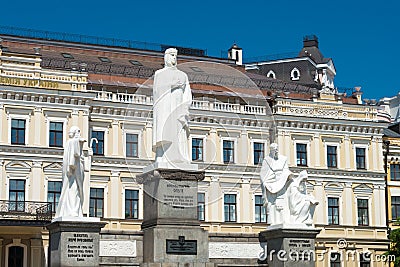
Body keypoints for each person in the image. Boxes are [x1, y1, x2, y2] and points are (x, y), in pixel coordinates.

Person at [152, 48, 192, 165]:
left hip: (178, 108)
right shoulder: (159, 73)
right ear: (166, 57)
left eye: (175, 55)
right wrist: (172, 85)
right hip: (165, 108)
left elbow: (187, 94)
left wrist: (185, 109)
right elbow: (157, 91)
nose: (173, 58)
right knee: (164, 131)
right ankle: (162, 155)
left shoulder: (183, 75)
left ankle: (180, 157)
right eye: (171, 55)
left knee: (178, 132)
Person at [55, 126, 86, 218]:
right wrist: (80, 141)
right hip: (72, 171)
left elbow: (80, 156)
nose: (79, 134)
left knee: (75, 190)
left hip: (76, 170)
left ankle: (75, 210)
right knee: (73, 190)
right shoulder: (71, 142)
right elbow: (75, 154)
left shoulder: (71, 143)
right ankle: (72, 211)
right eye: (78, 132)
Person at [260, 143, 293, 225]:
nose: (276, 151)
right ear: (271, 150)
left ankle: (284, 220)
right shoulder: (267, 160)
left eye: (277, 149)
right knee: (273, 205)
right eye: (274, 149)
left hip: (282, 181)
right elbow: (263, 174)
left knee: (283, 203)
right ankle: (274, 221)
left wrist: (285, 176)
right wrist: (267, 183)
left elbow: (286, 169)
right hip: (271, 184)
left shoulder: (283, 159)